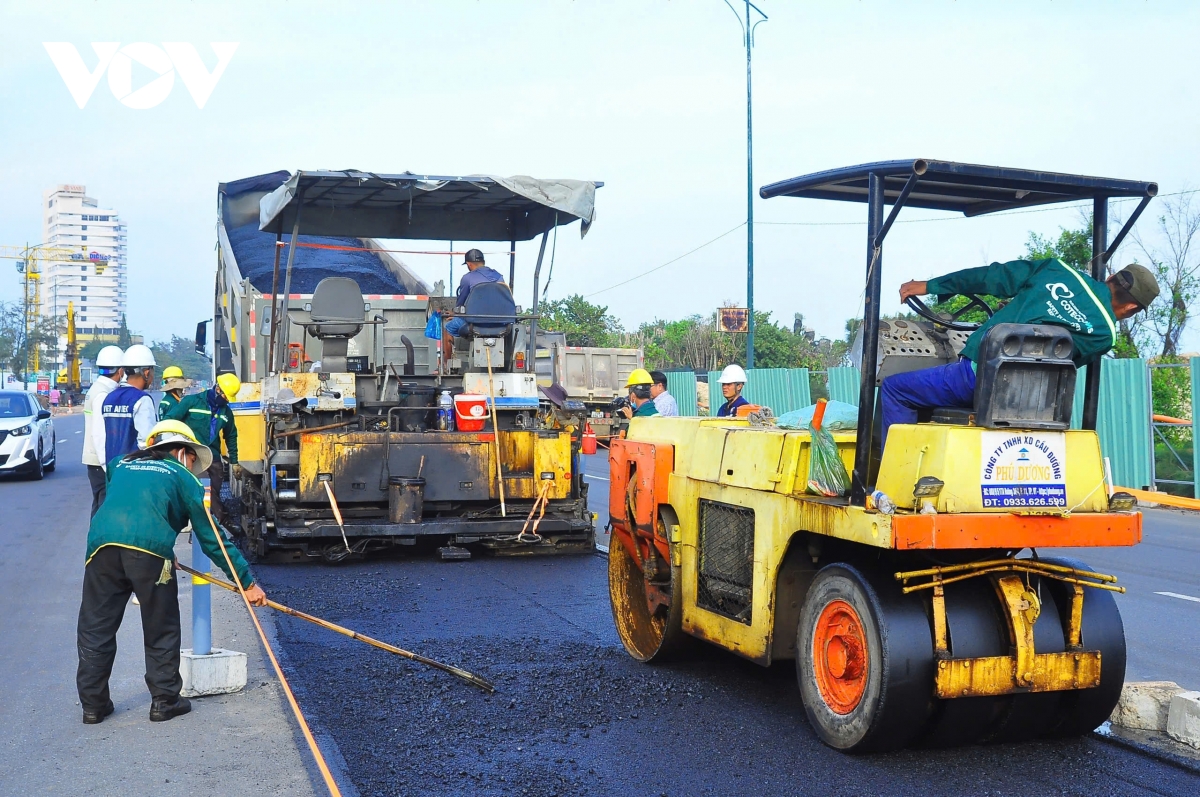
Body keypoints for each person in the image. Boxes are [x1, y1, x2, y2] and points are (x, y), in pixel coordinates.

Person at [76, 420, 267, 725]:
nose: (193, 468)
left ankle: (93, 706)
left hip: (101, 548)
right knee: (160, 625)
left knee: (95, 627)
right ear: (182, 452)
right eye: (193, 461)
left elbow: (133, 504)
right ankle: (165, 701)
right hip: (149, 555)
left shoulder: (120, 464)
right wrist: (246, 582)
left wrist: (164, 548)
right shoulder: (183, 478)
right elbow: (212, 538)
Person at [881, 260, 1160, 449]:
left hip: (975, 381)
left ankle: (895, 479)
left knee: (895, 389)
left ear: (1110, 278)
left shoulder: (1056, 270)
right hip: (1026, 403)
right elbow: (1058, 363)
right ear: (1132, 308)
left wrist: (932, 286)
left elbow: (993, 276)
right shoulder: (1103, 335)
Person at [166, 373, 240, 524]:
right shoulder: (192, 402)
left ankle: (213, 519)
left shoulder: (226, 412)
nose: (225, 401)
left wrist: (234, 461)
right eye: (225, 397)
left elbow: (231, 436)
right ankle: (212, 521)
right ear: (218, 389)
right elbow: (170, 420)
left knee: (214, 490)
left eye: (227, 399)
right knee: (200, 490)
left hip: (212, 455)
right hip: (192, 454)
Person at [97, 345, 158, 469]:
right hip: (135, 472)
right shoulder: (142, 399)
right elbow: (146, 442)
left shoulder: (109, 398)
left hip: (113, 470)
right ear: (146, 372)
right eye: (152, 372)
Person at [82, 346, 124, 516]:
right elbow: (100, 433)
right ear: (120, 370)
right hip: (100, 461)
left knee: (100, 505)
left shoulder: (99, 389)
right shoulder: (102, 394)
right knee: (102, 508)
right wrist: (107, 466)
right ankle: (96, 541)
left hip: (97, 460)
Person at [444, 248, 505, 337]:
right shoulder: (499, 277)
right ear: (483, 262)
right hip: (498, 322)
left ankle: (456, 350)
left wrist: (455, 313)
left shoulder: (467, 278)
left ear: (469, 264)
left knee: (449, 328)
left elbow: (461, 304)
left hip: (475, 323)